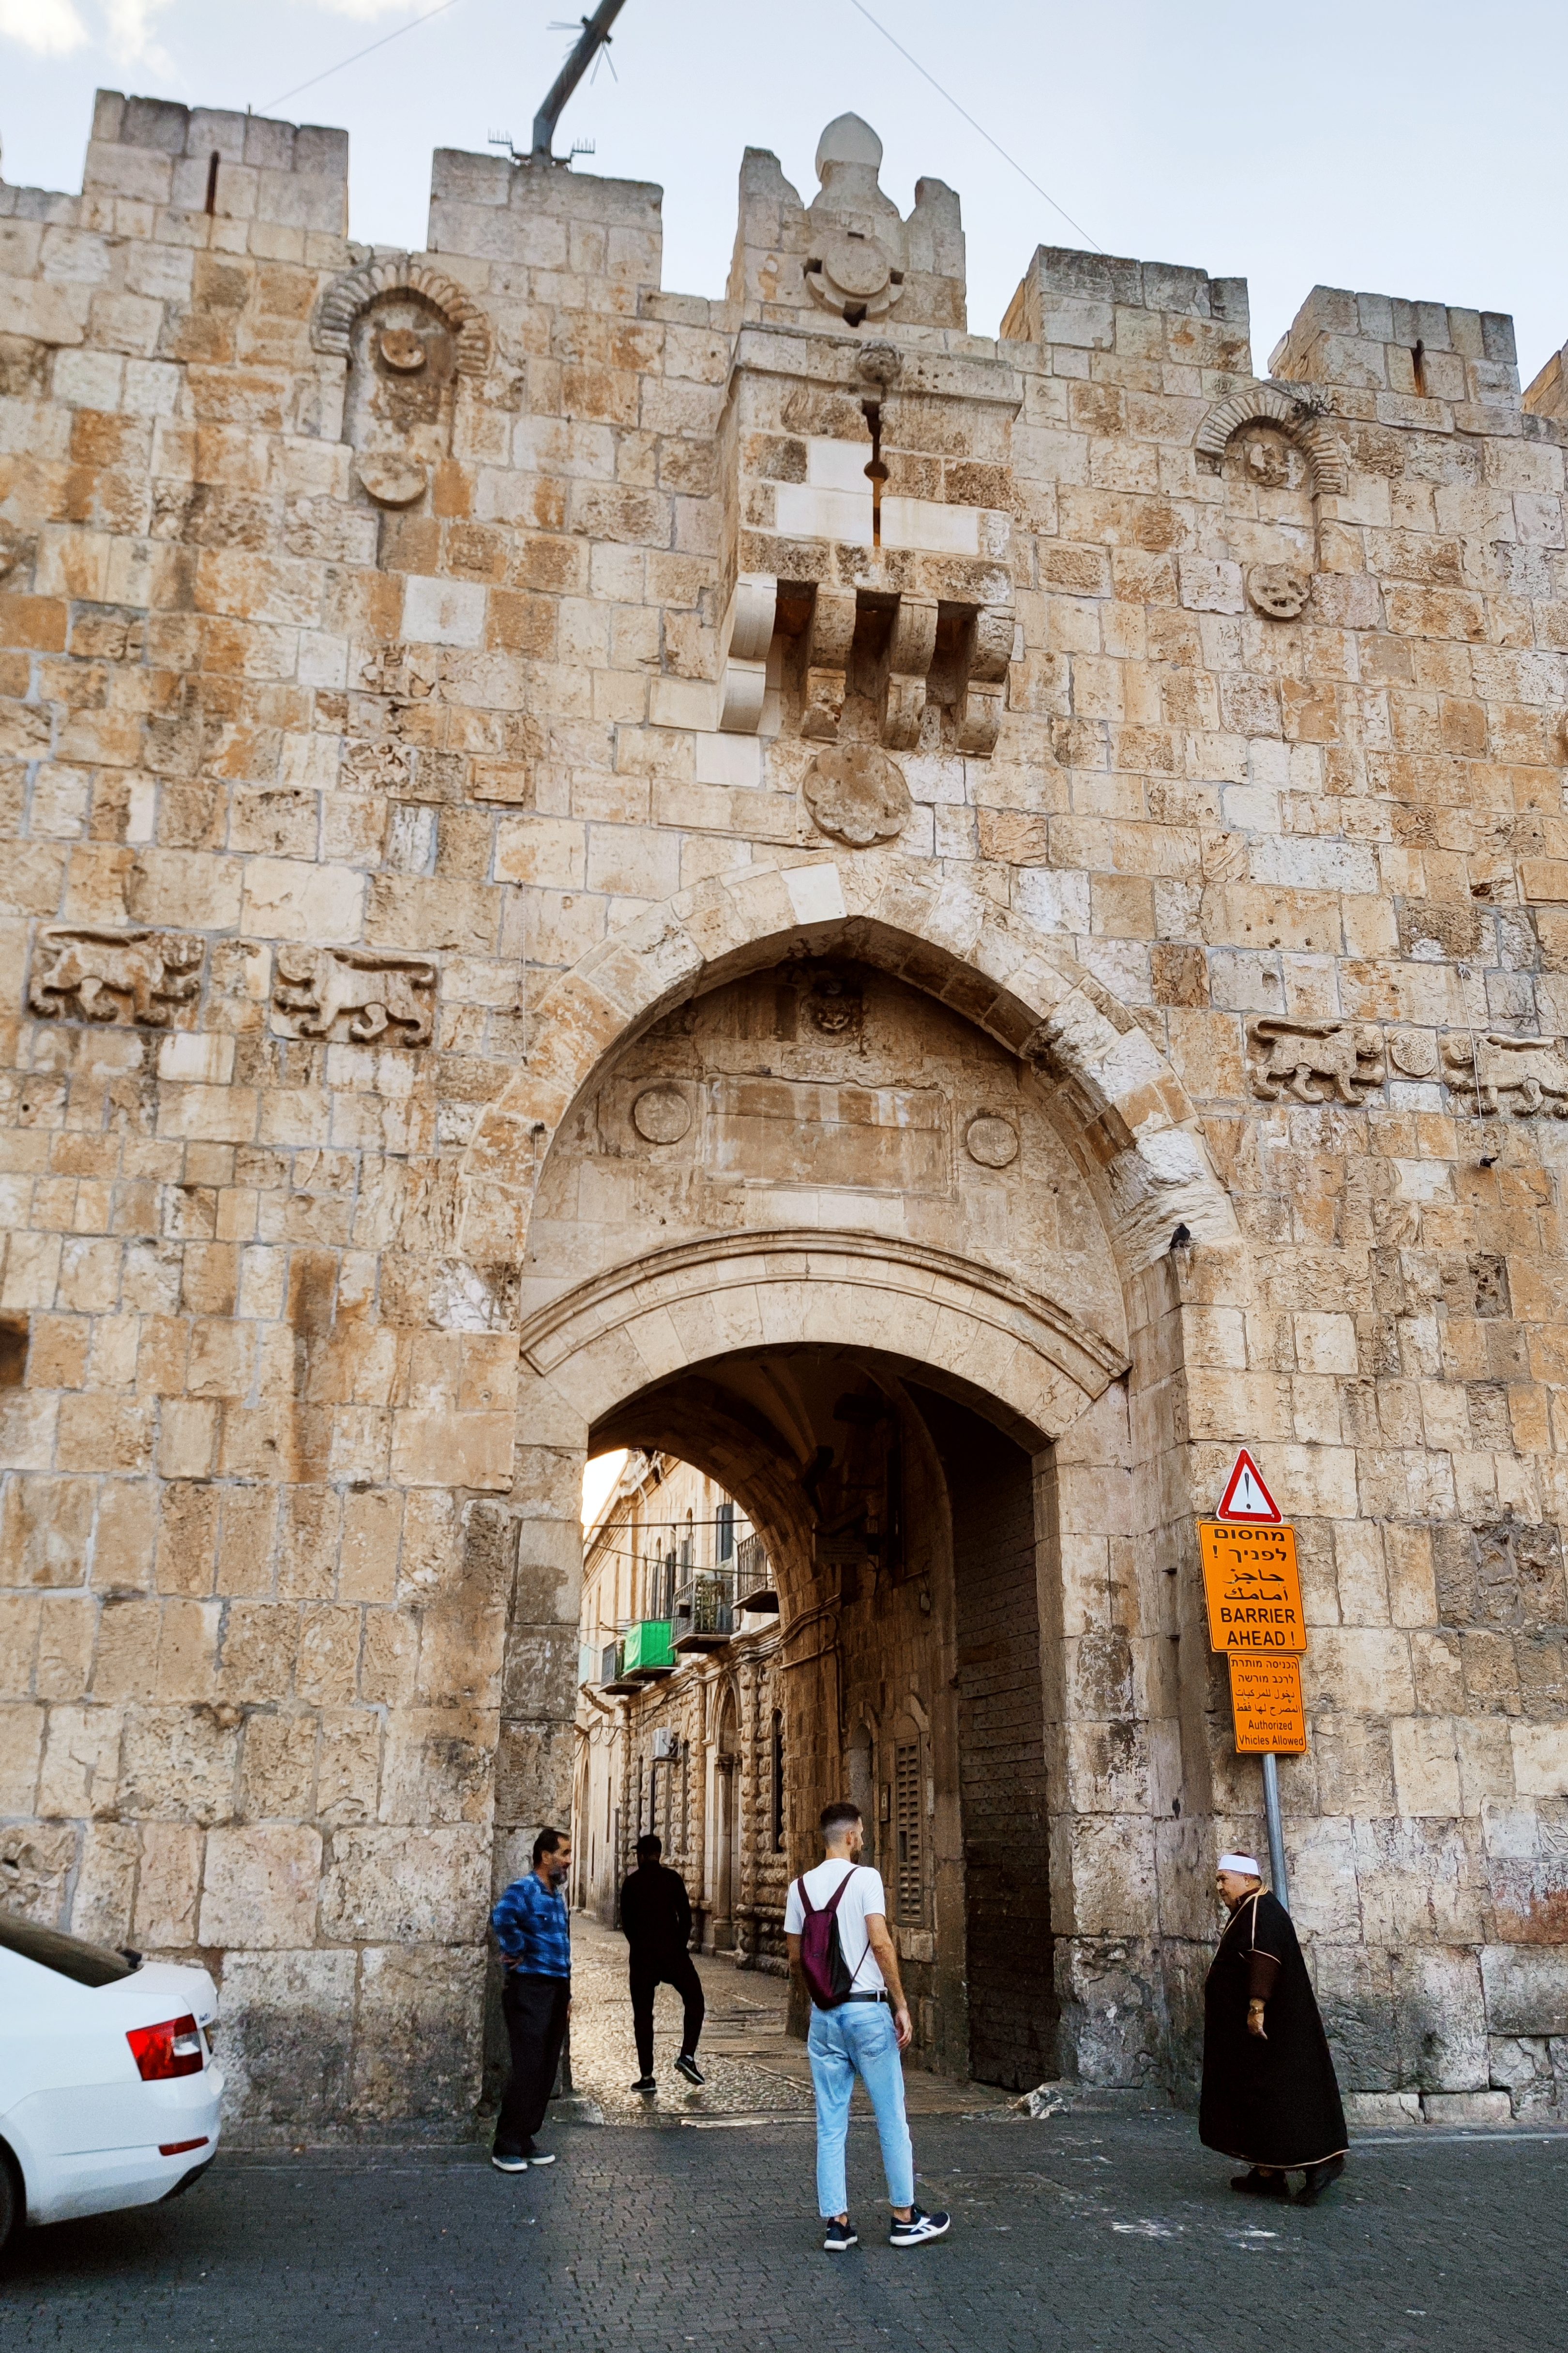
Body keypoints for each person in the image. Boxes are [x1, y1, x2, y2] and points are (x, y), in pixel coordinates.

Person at [785, 1799, 950, 2253]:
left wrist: (822, 2001)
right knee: (891, 2115)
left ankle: (837, 2224)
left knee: (830, 2121)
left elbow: (797, 1957)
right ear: (853, 1836)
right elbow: (880, 1942)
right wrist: (900, 2003)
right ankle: (904, 2217)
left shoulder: (798, 1888)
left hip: (825, 2017)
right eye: (862, 1833)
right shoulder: (866, 1879)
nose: (864, 1839)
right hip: (867, 2010)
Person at [1200, 1850, 1348, 2203]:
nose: (1219, 1886)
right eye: (1219, 1879)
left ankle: (1321, 2164)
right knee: (1259, 2095)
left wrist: (1256, 2006)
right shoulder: (1252, 1908)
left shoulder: (1259, 1911)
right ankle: (1268, 2171)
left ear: (1249, 1880)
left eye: (1225, 1879)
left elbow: (1265, 1957)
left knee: (1286, 2095)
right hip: (1261, 2034)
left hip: (1274, 2029)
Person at [489, 1827, 573, 2173]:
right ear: (545, 1856)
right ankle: (505, 2142)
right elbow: (502, 1917)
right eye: (564, 1853)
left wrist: (568, 1993)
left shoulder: (556, 1895)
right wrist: (516, 1949)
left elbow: (563, 1946)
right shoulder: (523, 1890)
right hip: (529, 1988)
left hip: (556, 1989)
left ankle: (526, 2137)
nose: (569, 1860)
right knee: (527, 2065)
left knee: (545, 2067)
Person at [619, 1832, 706, 2092]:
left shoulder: (631, 1883)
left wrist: (641, 1947)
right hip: (673, 1955)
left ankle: (647, 2078)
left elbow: (627, 1923)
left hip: (643, 1958)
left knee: (643, 2017)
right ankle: (687, 2055)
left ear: (642, 1855)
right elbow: (686, 1919)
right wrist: (677, 1948)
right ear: (659, 1854)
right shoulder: (672, 1879)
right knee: (695, 2000)